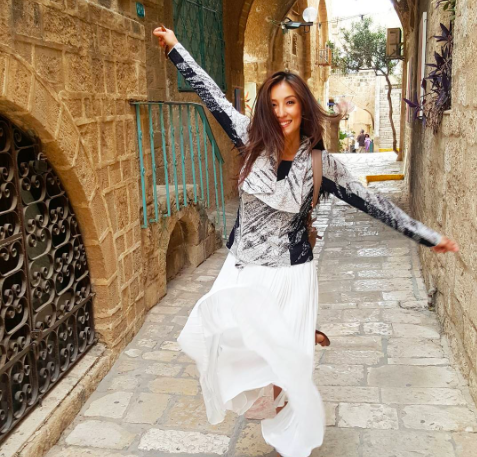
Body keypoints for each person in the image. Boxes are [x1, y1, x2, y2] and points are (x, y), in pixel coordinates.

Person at [153, 26, 459, 457]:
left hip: (291, 277)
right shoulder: (249, 139)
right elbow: (213, 97)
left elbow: (372, 202)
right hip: (244, 272)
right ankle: (290, 342)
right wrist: (175, 49)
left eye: (290, 102)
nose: (282, 112)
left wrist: (425, 236)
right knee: (225, 346)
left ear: (303, 106)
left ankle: (289, 435)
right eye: (274, 104)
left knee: (288, 375)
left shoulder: (320, 164)